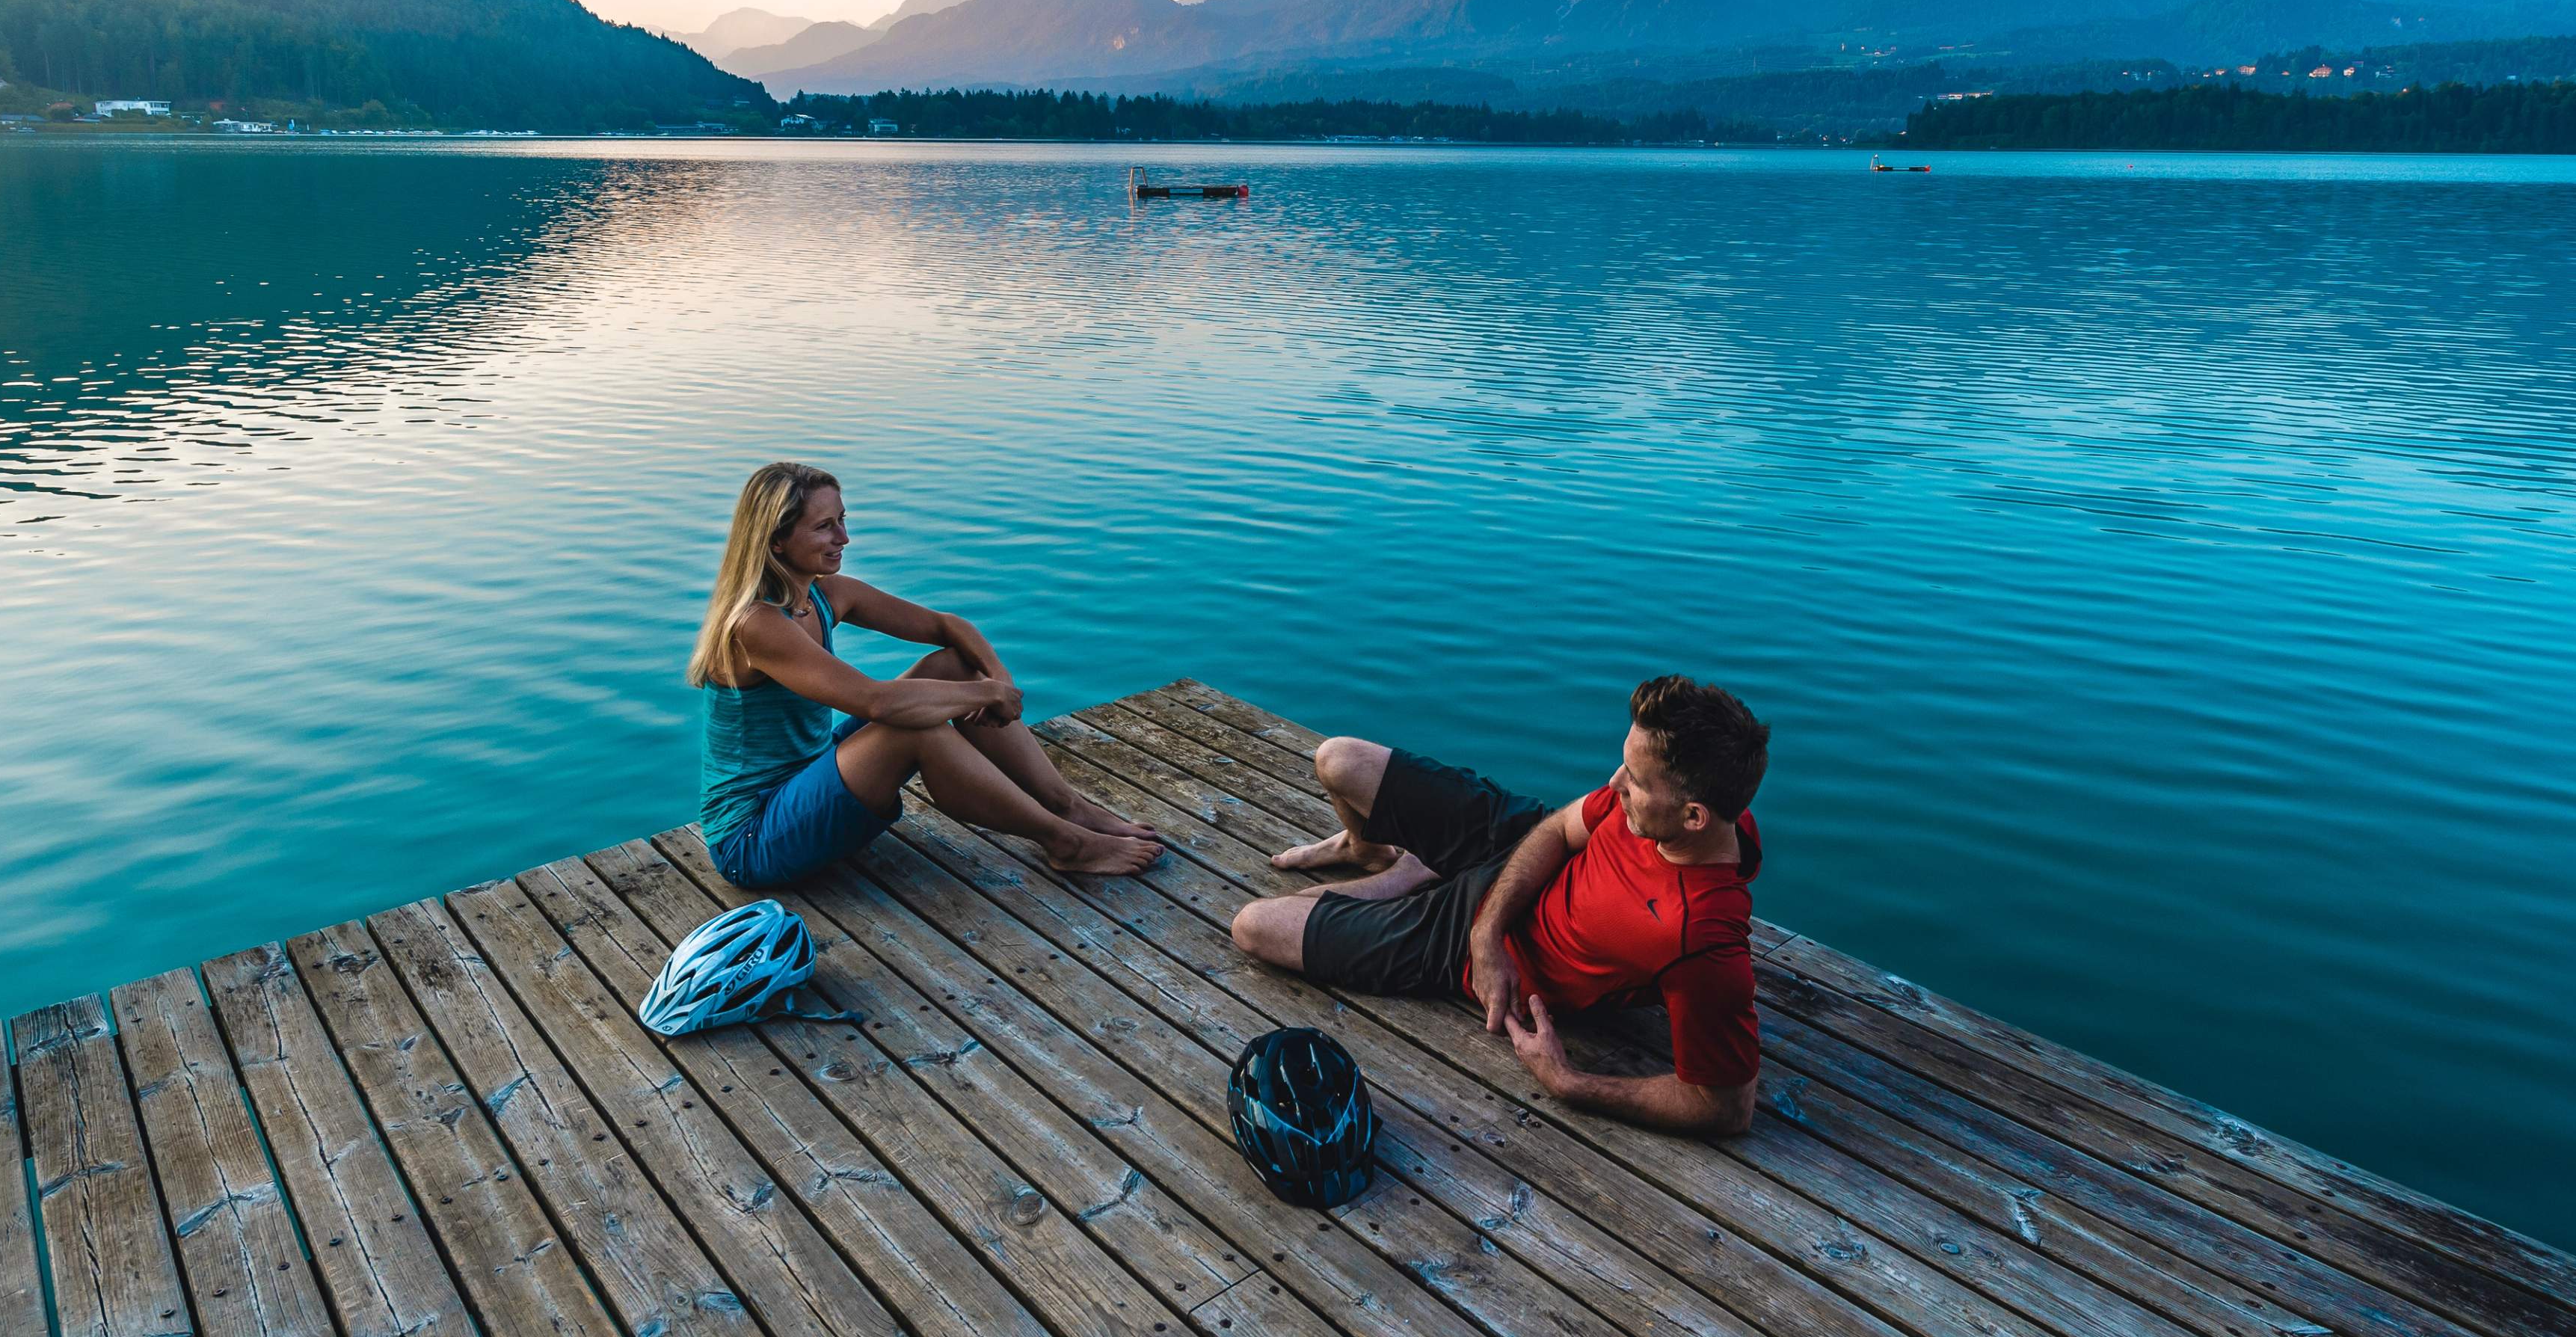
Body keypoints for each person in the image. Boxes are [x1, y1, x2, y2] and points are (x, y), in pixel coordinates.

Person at [1229, 676, 1768, 1137]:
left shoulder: (1699, 941)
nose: (1614, 783)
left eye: (1636, 781)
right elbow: (1559, 826)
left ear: (1695, 817)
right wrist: (1487, 933)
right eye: (1623, 764)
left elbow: (1726, 1106)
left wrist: (1569, 1083)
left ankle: (1412, 875)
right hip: (1513, 851)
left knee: (1254, 925)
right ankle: (1375, 854)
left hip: (1458, 948)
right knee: (1338, 758)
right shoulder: (1680, 813)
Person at [688, 461, 1160, 888]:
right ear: (776, 540)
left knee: (956, 667)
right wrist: (989, 694)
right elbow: (878, 703)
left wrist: (996, 681)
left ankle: (1066, 805)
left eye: (843, 520)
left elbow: (947, 627)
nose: (844, 538)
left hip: (811, 774)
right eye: (824, 527)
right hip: (753, 837)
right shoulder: (756, 624)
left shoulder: (825, 595)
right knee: (914, 729)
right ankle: (1066, 842)